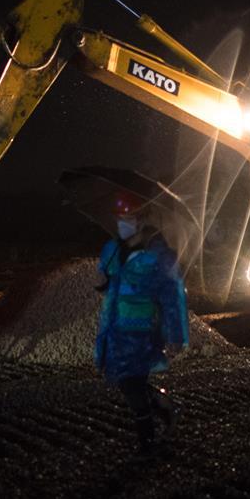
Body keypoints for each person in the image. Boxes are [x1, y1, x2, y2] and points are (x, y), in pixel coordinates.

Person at [95, 190, 189, 454]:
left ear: (142, 219)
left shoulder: (158, 254)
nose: (123, 222)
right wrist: (105, 281)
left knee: (132, 386)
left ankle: (147, 441)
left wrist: (176, 334)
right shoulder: (114, 250)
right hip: (117, 331)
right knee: (125, 381)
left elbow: (172, 295)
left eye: (129, 217)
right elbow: (112, 286)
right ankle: (161, 405)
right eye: (120, 217)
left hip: (144, 332)